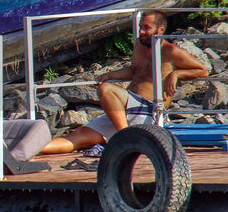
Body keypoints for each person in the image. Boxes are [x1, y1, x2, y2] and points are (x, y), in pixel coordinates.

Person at [39, 10, 208, 155]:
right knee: (79, 136)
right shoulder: (139, 46)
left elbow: (203, 70)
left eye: (146, 28)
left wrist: (176, 73)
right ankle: (28, 150)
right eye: (141, 26)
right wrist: (109, 74)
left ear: (161, 29)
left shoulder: (171, 51)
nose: (141, 31)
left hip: (148, 110)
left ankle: (125, 139)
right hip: (125, 111)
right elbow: (135, 71)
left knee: (107, 90)